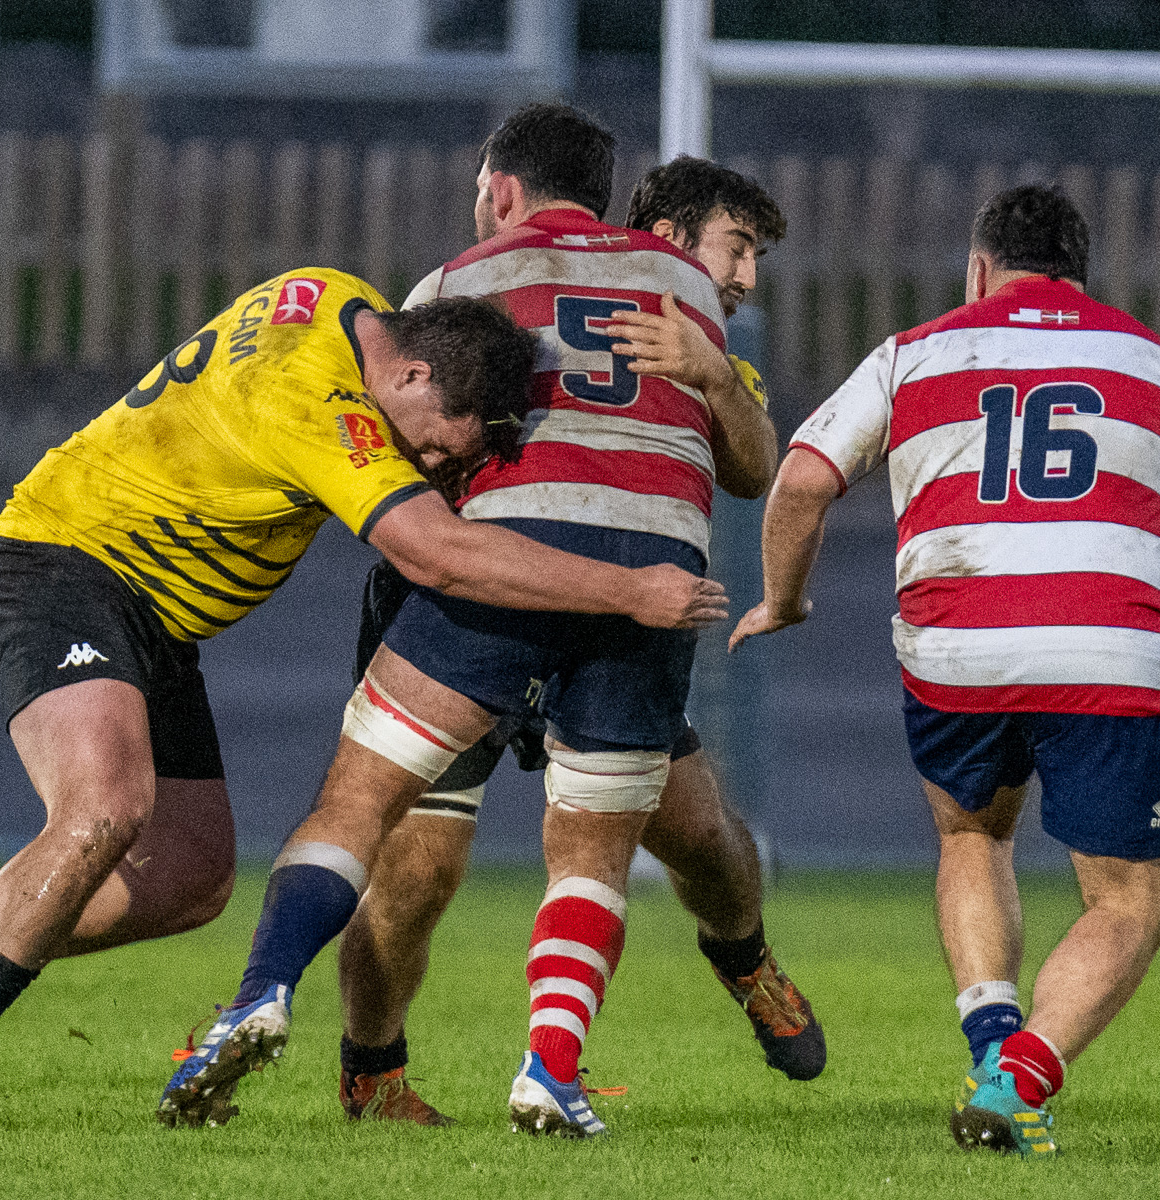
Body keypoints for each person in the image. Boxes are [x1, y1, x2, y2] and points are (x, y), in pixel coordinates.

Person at [0, 269, 727, 1130]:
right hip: (71, 562)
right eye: (434, 447)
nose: (426, 467)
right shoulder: (317, 400)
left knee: (189, 879)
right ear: (411, 374)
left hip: (156, 608)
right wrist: (629, 590)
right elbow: (436, 552)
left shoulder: (346, 300)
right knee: (105, 809)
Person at [154, 104, 762, 1138]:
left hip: (497, 566)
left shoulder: (453, 283)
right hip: (655, 571)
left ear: (502, 192)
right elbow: (748, 468)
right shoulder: (683, 285)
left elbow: (409, 443)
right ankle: (546, 1071)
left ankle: (261, 993)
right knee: (591, 853)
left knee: (359, 804)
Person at [729, 185, 1160, 1158]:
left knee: (972, 836)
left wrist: (784, 599)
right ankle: (1018, 1082)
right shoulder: (1156, 362)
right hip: (1109, 655)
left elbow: (802, 480)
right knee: (1133, 899)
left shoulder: (916, 352)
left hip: (955, 653)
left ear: (980, 270)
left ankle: (990, 1050)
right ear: (1078, 274)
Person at [332, 153, 822, 1129]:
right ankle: (375, 1072)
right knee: (418, 868)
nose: (745, 276)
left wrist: (718, 381)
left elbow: (752, 463)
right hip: (491, 594)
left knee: (707, 841)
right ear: (671, 238)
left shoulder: (697, 328)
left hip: (604, 602)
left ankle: (746, 961)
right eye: (738, 247)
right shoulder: (482, 287)